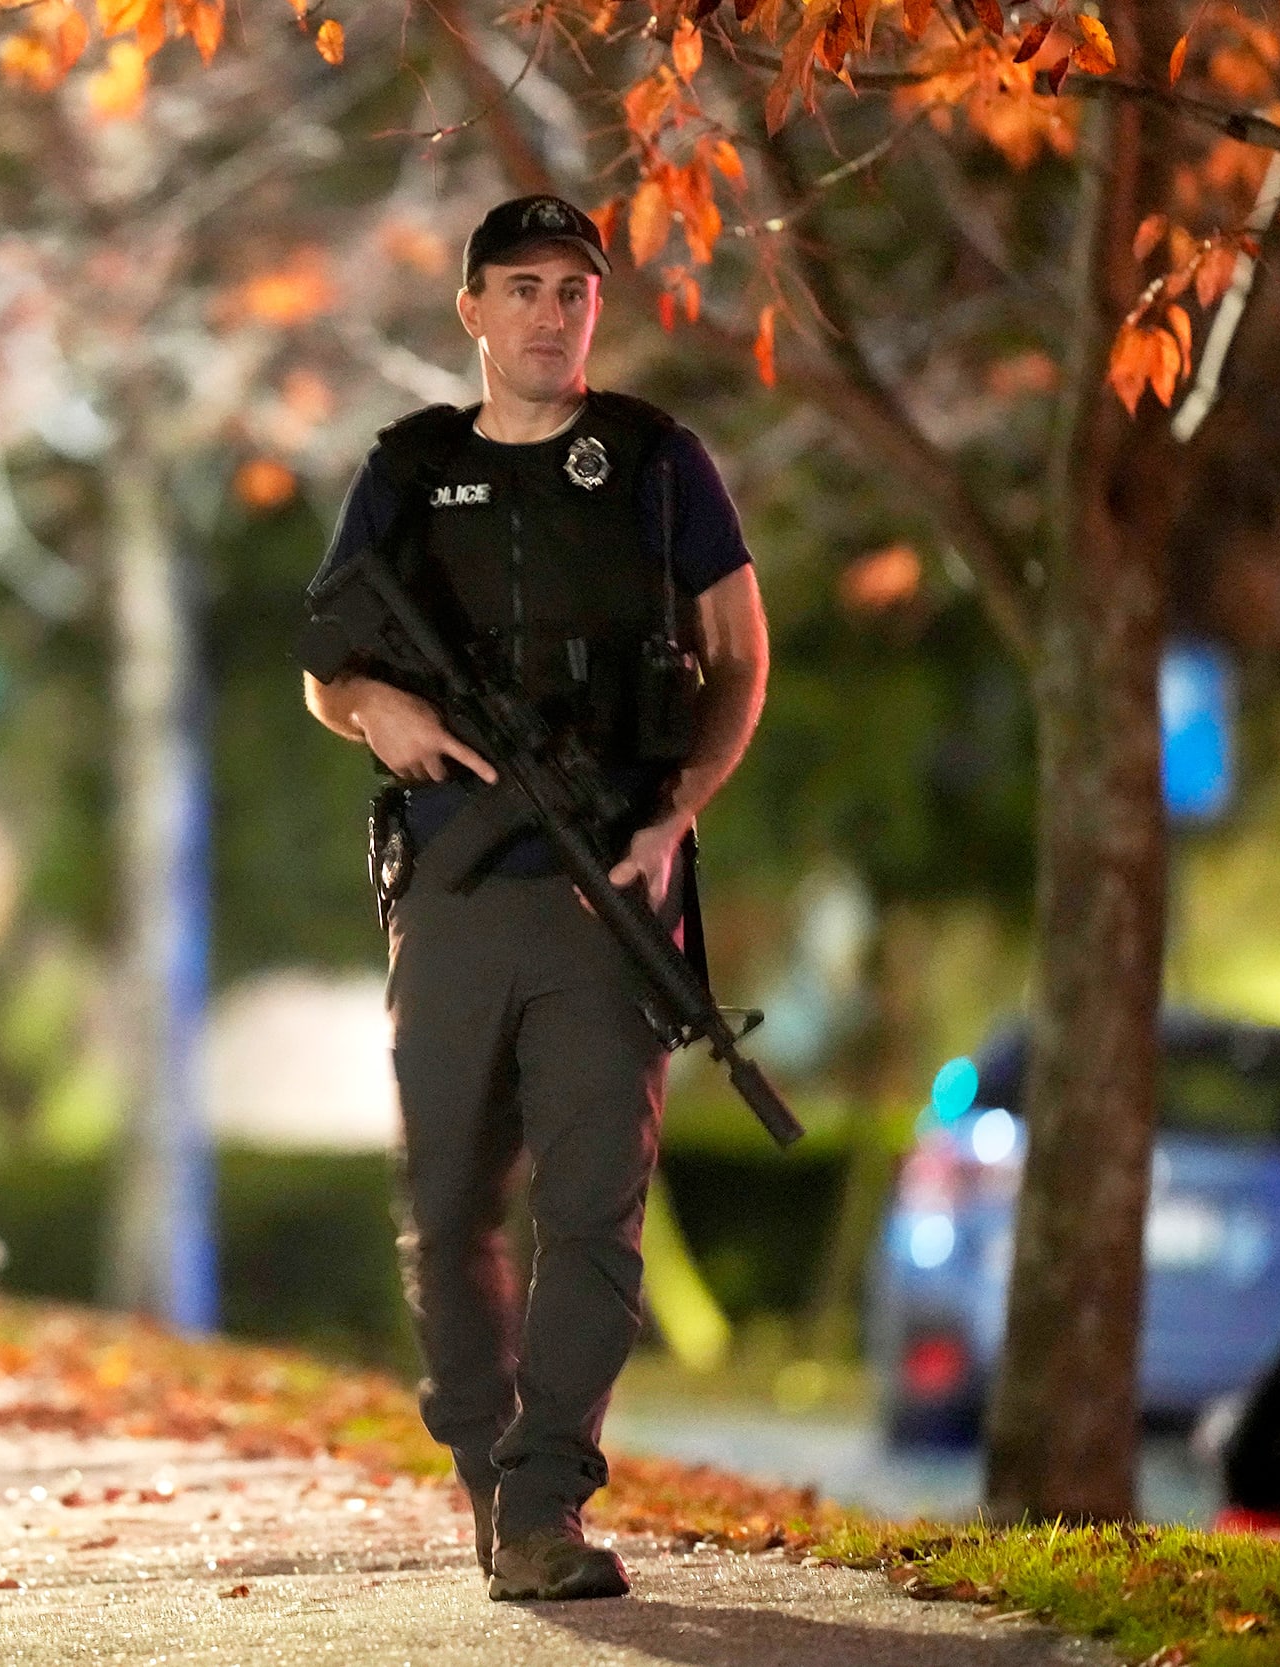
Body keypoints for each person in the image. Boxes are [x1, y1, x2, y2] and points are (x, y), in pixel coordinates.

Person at [300, 196, 770, 1602]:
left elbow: (739, 657)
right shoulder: (406, 468)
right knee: (446, 1206)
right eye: (523, 287)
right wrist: (373, 704)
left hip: (609, 890)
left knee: (591, 1210)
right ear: (473, 311)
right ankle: (487, 1467)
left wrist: (678, 810)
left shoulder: (657, 463)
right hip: (451, 894)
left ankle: (549, 1494)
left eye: (574, 288)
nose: (552, 312)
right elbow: (327, 661)